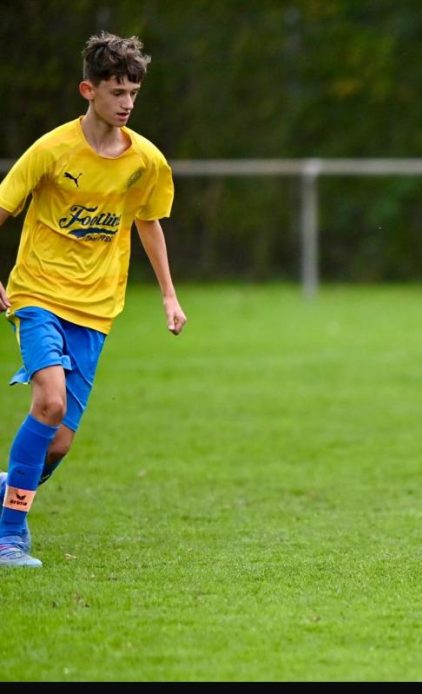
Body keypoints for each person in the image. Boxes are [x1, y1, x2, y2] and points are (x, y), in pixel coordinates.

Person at [0, 31, 186, 568]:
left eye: (133, 93)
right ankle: (10, 535)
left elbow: (148, 222)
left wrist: (169, 296)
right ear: (89, 90)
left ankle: (8, 491)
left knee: (58, 443)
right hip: (38, 294)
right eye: (116, 92)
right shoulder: (51, 150)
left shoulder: (146, 161)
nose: (127, 103)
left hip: (97, 309)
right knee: (50, 403)